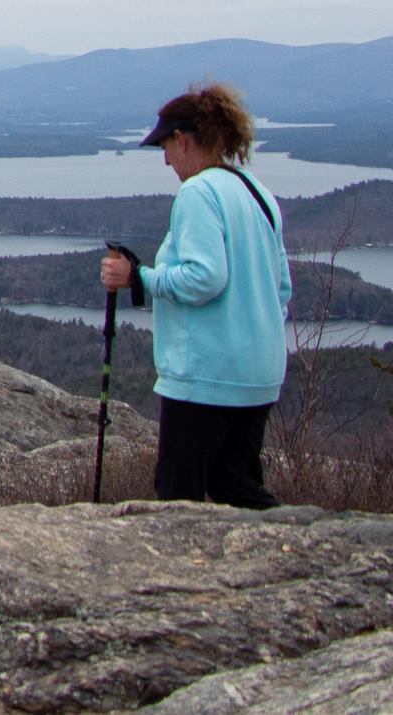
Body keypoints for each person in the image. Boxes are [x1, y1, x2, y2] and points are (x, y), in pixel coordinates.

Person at [101, 82, 292, 507]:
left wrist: (140, 279)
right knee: (236, 488)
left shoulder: (198, 193)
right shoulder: (258, 193)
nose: (166, 159)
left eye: (166, 147)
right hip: (258, 376)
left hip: (205, 379)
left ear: (183, 140)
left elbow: (205, 278)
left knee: (177, 494)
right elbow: (281, 288)